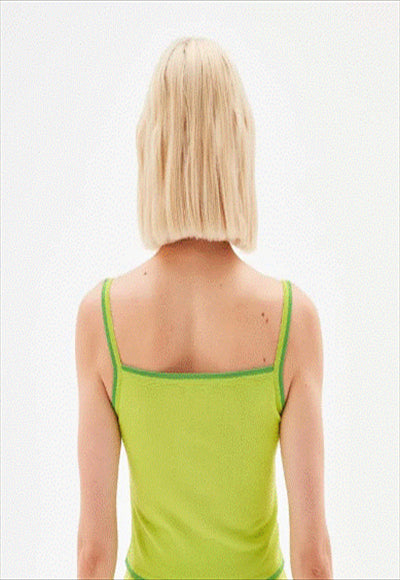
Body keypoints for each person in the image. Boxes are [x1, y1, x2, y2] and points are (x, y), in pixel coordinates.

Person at [75, 36, 333, 580]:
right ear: (238, 149)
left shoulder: (101, 318)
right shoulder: (292, 320)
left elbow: (94, 553)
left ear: (153, 149)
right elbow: (313, 560)